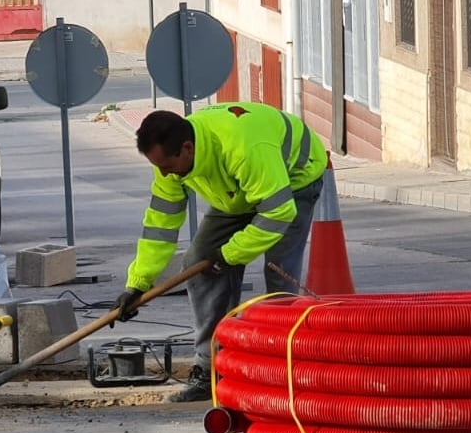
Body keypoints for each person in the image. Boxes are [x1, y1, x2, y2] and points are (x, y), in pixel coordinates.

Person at [114, 104, 329, 402]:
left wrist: (229, 255)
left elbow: (278, 213)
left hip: (292, 183)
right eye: (158, 166)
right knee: (198, 262)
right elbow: (160, 227)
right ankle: (212, 367)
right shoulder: (169, 160)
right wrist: (137, 283)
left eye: (167, 165)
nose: (164, 173)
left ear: (187, 148)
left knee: (279, 275)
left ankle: (284, 370)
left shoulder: (242, 148)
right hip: (237, 193)